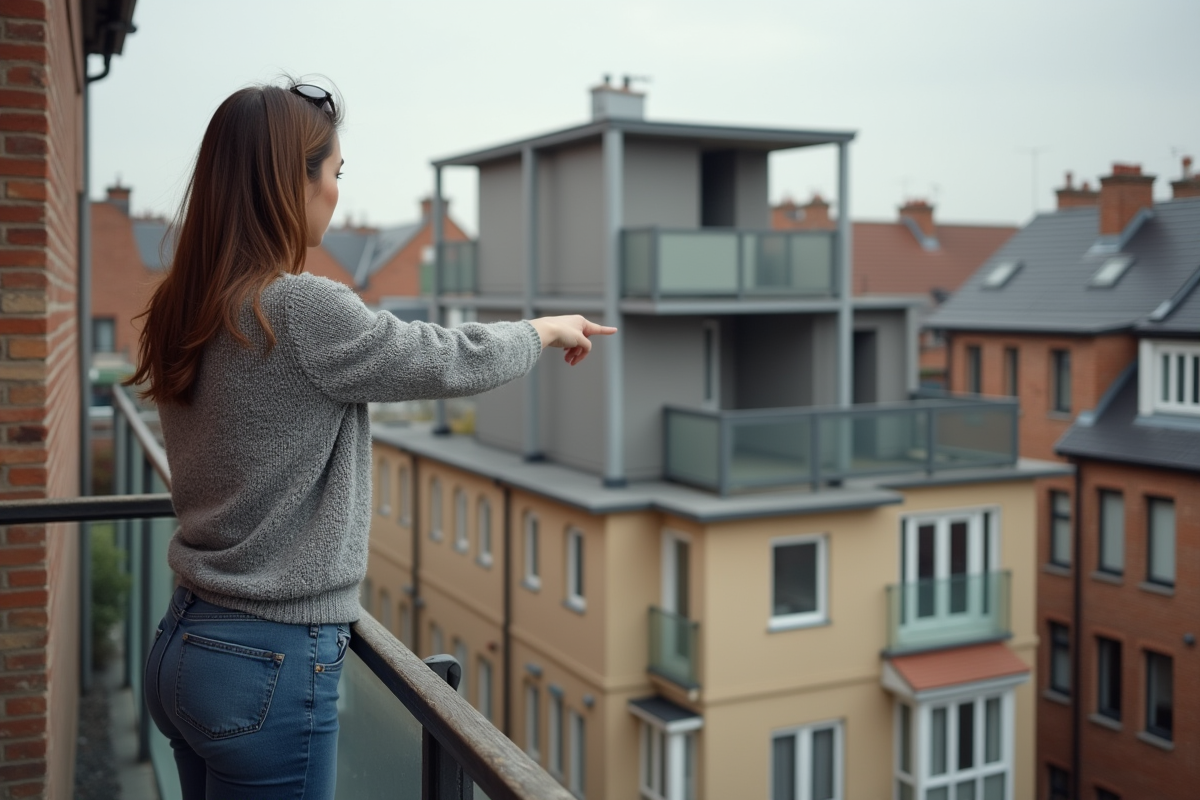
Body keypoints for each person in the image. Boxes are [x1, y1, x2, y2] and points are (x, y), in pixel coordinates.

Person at [132, 80, 614, 800]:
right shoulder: (298, 307)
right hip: (268, 658)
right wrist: (544, 330)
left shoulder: (186, 305)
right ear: (287, 181)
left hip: (184, 642)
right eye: (333, 171)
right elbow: (444, 357)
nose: (334, 190)